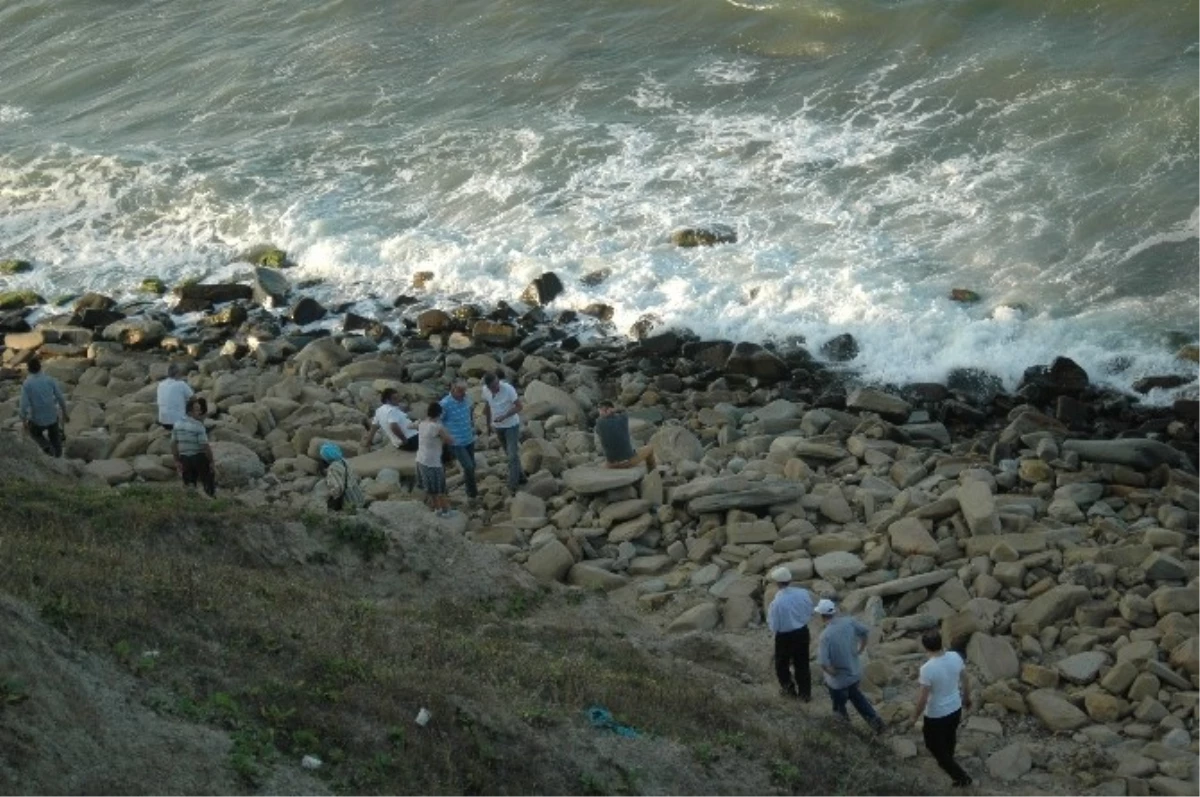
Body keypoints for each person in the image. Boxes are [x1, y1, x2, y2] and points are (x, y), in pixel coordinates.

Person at [913, 631, 973, 788]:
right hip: (955, 707)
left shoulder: (927, 669)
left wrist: (913, 717)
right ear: (941, 643)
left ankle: (961, 777)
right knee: (950, 735)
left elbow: (922, 699)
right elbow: (965, 679)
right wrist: (967, 698)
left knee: (932, 745)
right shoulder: (955, 657)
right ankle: (949, 757)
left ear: (925, 647)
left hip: (936, 714)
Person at [815, 599, 885, 733]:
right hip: (854, 673)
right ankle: (878, 726)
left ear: (822, 616)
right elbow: (865, 632)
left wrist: (832, 673)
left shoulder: (825, 636)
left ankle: (847, 732)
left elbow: (823, 662)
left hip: (838, 681)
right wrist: (861, 649)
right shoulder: (849, 621)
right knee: (859, 700)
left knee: (839, 708)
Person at [767, 567, 814, 701]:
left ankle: (789, 691)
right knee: (802, 663)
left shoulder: (777, 603)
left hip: (785, 636)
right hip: (802, 632)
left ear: (777, 583)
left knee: (782, 665)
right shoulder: (803, 593)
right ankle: (805, 694)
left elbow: (774, 624)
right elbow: (810, 610)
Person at [482, 371, 524, 492]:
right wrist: (488, 425)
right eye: (494, 385)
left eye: (497, 383)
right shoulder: (485, 390)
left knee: (512, 455)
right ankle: (521, 477)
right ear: (488, 387)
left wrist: (505, 416)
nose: (497, 386)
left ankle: (513, 485)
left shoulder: (508, 389)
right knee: (509, 454)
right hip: (497, 427)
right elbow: (488, 406)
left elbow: (519, 406)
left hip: (511, 425)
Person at [19, 357, 69, 457]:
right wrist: (65, 413)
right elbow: (60, 397)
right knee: (55, 437)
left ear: (28, 370)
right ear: (40, 367)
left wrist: (23, 420)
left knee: (34, 433)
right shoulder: (49, 379)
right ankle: (58, 456)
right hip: (52, 416)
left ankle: (46, 447)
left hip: (37, 419)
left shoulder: (27, 384)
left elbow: (23, 404)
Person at [439, 380, 477, 500]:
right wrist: (445, 437)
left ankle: (469, 489)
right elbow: (437, 422)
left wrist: (471, 424)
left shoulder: (467, 399)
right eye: (460, 391)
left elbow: (470, 410)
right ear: (453, 389)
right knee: (468, 467)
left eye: (464, 390)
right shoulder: (444, 404)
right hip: (456, 442)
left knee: (472, 466)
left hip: (469, 438)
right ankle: (472, 495)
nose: (463, 393)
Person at [417, 402, 456, 517]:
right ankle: (446, 510)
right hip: (433, 462)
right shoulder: (437, 427)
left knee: (431, 490)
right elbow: (450, 440)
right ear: (439, 414)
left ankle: (436, 509)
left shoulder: (422, 424)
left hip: (421, 460)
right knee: (440, 490)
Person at [171, 396, 215, 497]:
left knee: (189, 485)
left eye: (199, 410)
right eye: (197, 410)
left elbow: (173, 444)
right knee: (208, 480)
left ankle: (191, 501)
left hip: (184, 458)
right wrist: (211, 461)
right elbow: (205, 446)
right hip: (199, 457)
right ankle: (211, 498)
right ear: (190, 412)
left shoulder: (177, 424)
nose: (199, 412)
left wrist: (177, 460)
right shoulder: (198, 426)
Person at [595, 401, 656, 470]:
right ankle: (653, 472)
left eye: (600, 410)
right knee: (650, 448)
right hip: (627, 462)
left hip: (611, 464)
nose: (600, 413)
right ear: (612, 410)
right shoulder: (623, 418)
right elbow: (623, 410)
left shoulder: (599, 423)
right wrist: (614, 410)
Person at [363, 388, 419, 452]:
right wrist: (404, 440)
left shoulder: (379, 411)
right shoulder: (392, 410)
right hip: (411, 440)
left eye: (398, 397)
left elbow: (373, 429)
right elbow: (393, 426)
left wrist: (368, 443)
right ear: (387, 400)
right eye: (395, 398)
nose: (398, 400)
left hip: (400, 443)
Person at [320, 442, 365, 512]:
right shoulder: (345, 461)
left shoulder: (333, 468)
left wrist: (329, 497)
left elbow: (337, 487)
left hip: (349, 501)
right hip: (358, 496)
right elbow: (356, 478)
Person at [156, 362, 193, 430]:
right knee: (196, 404)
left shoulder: (160, 384)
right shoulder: (181, 384)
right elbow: (194, 398)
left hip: (163, 422)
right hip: (177, 422)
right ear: (178, 373)